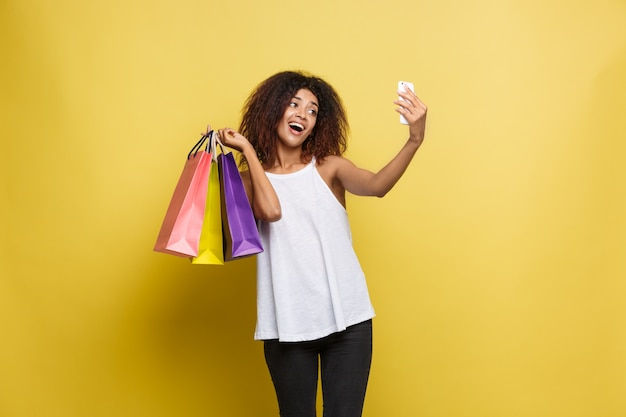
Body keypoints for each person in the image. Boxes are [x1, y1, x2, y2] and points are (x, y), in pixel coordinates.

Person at [216, 70, 427, 417]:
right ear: (272, 110)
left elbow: (376, 185)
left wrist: (414, 140)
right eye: (294, 104)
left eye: (312, 110)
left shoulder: (328, 168)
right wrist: (250, 153)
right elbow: (269, 212)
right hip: (285, 324)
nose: (303, 114)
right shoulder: (245, 181)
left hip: (348, 323)